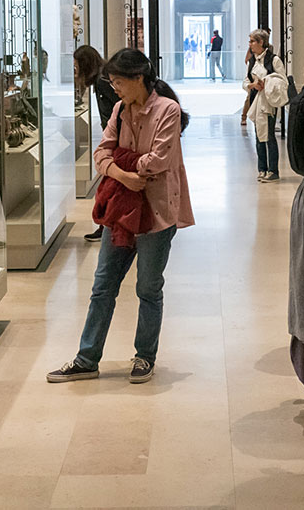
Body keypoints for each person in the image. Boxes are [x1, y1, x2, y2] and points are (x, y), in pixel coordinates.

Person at [47, 48, 193, 385]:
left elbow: (158, 160)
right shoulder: (119, 109)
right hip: (123, 211)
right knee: (102, 286)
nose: (115, 89)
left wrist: (119, 164)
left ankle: (145, 355)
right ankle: (86, 359)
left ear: (138, 78)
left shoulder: (167, 109)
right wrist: (124, 173)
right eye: (111, 83)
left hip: (156, 212)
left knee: (148, 288)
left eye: (119, 82)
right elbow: (102, 152)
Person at [74, 45, 122, 243]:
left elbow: (119, 106)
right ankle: (107, 225)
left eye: (77, 67)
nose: (75, 71)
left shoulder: (103, 81)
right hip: (115, 137)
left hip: (117, 139)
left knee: (110, 184)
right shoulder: (102, 79)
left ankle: (107, 225)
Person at [244, 28, 288, 182]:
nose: (250, 44)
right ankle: (262, 169)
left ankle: (273, 171)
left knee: (269, 135)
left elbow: (282, 80)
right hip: (256, 102)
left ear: (261, 42)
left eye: (252, 41)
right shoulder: (252, 61)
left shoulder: (274, 60)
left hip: (269, 103)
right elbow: (245, 81)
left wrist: (267, 82)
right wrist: (252, 85)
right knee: (258, 136)